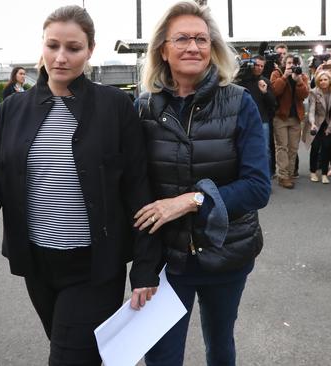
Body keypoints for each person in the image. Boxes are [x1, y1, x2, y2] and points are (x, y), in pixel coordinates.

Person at [0, 5, 161, 365]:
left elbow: (138, 187)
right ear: (41, 45)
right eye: (52, 45)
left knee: (68, 358)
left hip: (95, 268)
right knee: (81, 353)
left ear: (90, 50)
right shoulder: (13, 111)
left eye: (73, 48)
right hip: (38, 267)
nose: (61, 57)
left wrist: (145, 268)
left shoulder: (115, 106)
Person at [133, 1, 271, 365]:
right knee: (161, 355)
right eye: (181, 39)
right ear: (162, 48)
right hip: (167, 259)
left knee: (220, 343)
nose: (193, 47)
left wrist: (192, 200)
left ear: (213, 48)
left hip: (227, 253)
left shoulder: (240, 103)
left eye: (201, 39)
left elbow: (258, 187)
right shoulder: (144, 108)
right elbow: (134, 186)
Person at [271, 53, 310, 189]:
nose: (291, 66)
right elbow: (274, 91)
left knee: (293, 148)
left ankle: (289, 173)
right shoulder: (277, 73)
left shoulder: (302, 76)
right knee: (282, 147)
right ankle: (283, 176)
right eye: (289, 63)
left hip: (295, 118)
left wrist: (298, 81)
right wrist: (285, 77)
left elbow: (304, 95)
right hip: (280, 117)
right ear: (284, 63)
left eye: (294, 63)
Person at [236, 55, 277, 177]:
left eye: (261, 66)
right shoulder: (241, 81)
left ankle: (266, 177)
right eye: (256, 65)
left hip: (262, 120)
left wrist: (264, 92)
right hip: (243, 119)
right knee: (242, 148)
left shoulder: (265, 81)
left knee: (264, 150)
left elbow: (273, 104)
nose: (258, 68)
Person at [306, 70, 331, 184]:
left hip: (329, 122)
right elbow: (311, 110)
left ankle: (324, 174)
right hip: (316, 122)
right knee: (315, 147)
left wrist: (330, 127)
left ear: (330, 80)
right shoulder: (314, 92)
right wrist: (313, 124)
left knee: (327, 147)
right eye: (320, 80)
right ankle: (313, 172)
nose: (323, 82)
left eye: (325, 79)